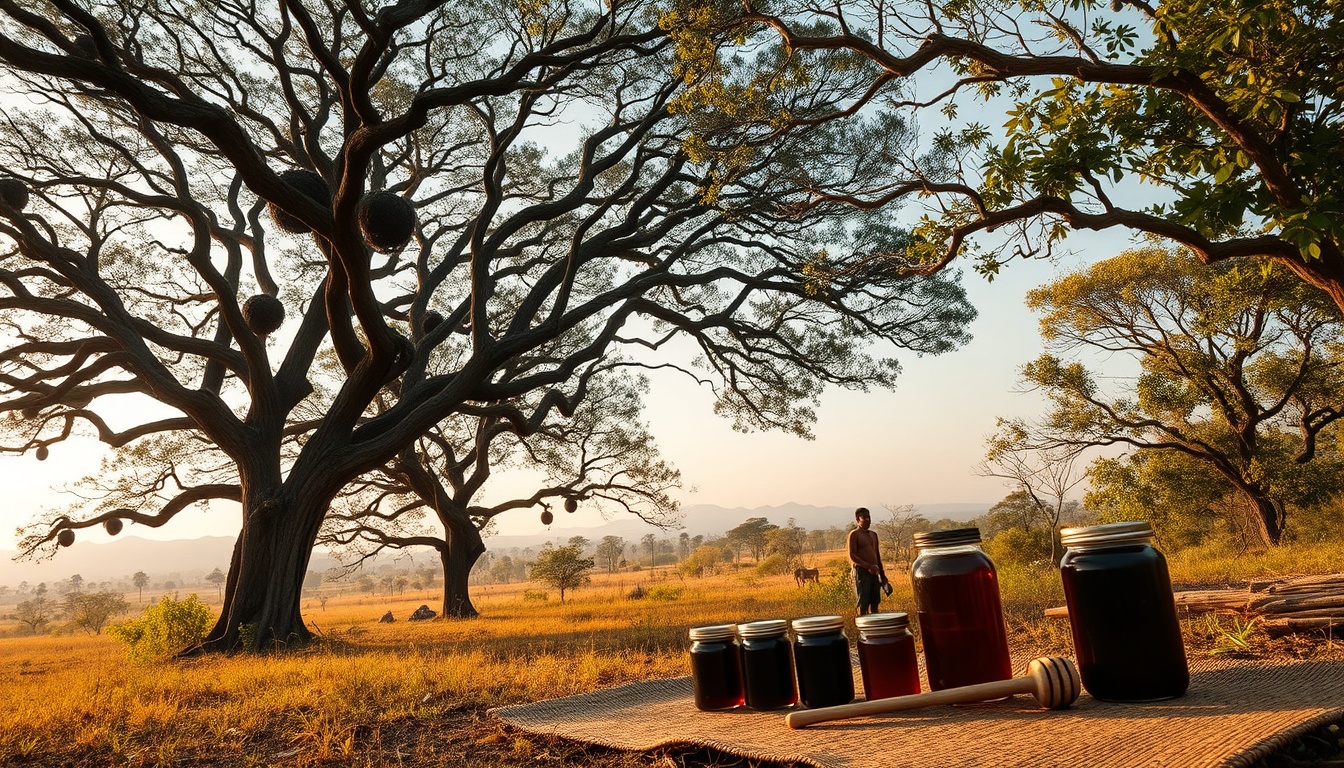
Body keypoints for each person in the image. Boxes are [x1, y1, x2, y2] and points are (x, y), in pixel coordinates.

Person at [847, 507, 888, 615]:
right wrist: (868, 566)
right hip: (862, 572)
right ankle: (863, 629)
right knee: (863, 603)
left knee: (875, 602)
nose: (868, 520)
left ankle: (874, 628)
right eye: (864, 517)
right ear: (857, 519)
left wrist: (882, 575)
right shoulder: (854, 534)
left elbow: (877, 556)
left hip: (875, 572)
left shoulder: (873, 535)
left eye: (869, 517)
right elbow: (852, 555)